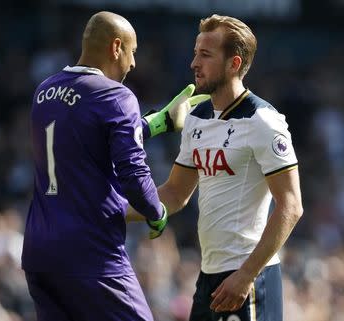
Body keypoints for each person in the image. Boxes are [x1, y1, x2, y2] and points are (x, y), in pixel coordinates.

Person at [21, 11, 198, 321]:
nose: (133, 64)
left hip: (39, 252)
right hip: (90, 252)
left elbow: (85, 139)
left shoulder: (44, 91)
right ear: (117, 47)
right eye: (132, 52)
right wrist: (156, 212)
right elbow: (133, 172)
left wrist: (155, 124)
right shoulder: (116, 95)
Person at [128, 14, 303, 321]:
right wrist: (109, 211)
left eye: (205, 55)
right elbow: (174, 194)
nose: (194, 63)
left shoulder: (263, 121)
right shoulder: (197, 117)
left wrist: (246, 275)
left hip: (248, 277)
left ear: (234, 64)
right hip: (210, 274)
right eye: (195, 53)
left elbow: (291, 205)